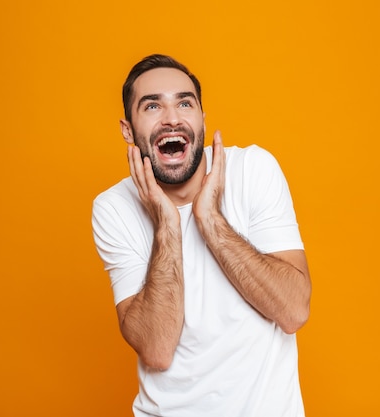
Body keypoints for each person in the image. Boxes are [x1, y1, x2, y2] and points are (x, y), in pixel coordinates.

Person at [92, 54, 312, 417]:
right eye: (152, 106)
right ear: (128, 130)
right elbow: (157, 349)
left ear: (202, 119)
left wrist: (209, 218)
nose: (172, 118)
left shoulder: (253, 170)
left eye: (184, 102)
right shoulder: (114, 208)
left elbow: (293, 311)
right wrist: (166, 222)